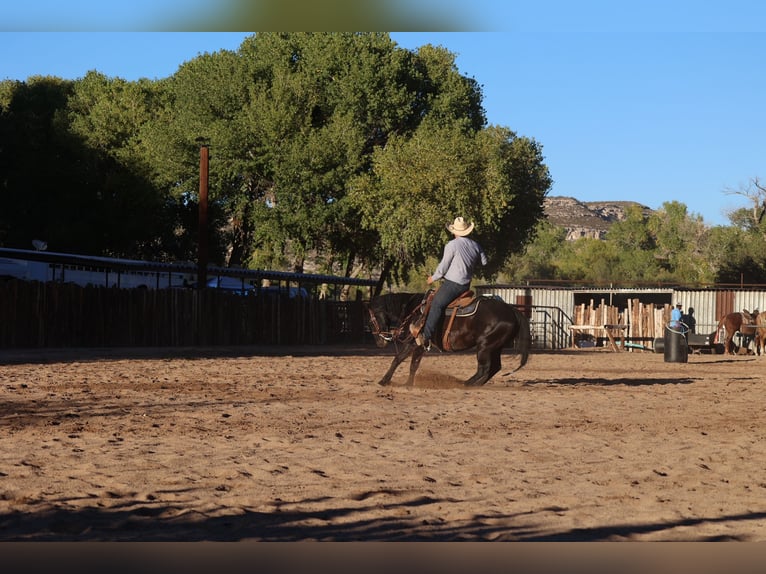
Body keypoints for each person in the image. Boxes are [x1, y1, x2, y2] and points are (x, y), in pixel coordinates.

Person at [413, 216, 488, 349]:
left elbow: (443, 267)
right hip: (466, 285)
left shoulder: (452, 245)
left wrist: (433, 278)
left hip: (453, 284)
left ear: (454, 231)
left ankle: (426, 336)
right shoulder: (476, 245)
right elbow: (484, 262)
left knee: (436, 303)